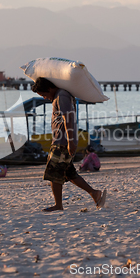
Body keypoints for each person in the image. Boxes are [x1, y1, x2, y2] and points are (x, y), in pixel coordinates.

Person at [31, 77, 106, 211]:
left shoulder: (61, 96)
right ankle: (94, 193)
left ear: (49, 88)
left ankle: (58, 205)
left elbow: (68, 119)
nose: (44, 98)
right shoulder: (61, 95)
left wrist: (71, 142)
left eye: (44, 94)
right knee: (69, 174)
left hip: (62, 142)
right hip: (62, 141)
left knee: (53, 173)